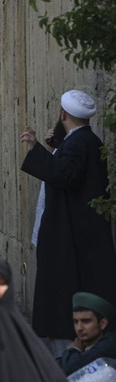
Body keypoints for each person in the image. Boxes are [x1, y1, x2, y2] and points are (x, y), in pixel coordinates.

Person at [20, 89, 116, 350]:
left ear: (63, 114)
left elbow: (66, 175)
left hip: (72, 237)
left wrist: (35, 149)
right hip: (80, 234)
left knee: (62, 295)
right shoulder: (84, 141)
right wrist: (53, 149)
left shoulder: (78, 143)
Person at [60, 292, 116, 375]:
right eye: (76, 322)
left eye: (86, 321)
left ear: (102, 324)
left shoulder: (109, 344)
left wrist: (73, 349)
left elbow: (71, 367)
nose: (79, 328)